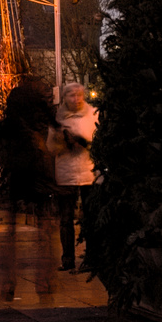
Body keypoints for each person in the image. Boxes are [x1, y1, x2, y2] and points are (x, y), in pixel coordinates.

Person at [0, 69, 58, 300]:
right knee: (44, 225)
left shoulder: (14, 98)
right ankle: (43, 281)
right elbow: (53, 125)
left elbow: (7, 127)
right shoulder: (42, 100)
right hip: (38, 165)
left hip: (17, 166)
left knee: (11, 229)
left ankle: (8, 283)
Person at [50, 83, 98, 273]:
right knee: (66, 219)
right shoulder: (58, 118)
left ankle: (91, 257)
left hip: (88, 172)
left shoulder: (93, 114)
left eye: (78, 95)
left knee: (90, 217)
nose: (75, 99)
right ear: (65, 97)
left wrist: (81, 141)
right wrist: (62, 142)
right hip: (67, 172)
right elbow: (51, 146)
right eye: (71, 95)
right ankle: (67, 258)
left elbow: (95, 141)